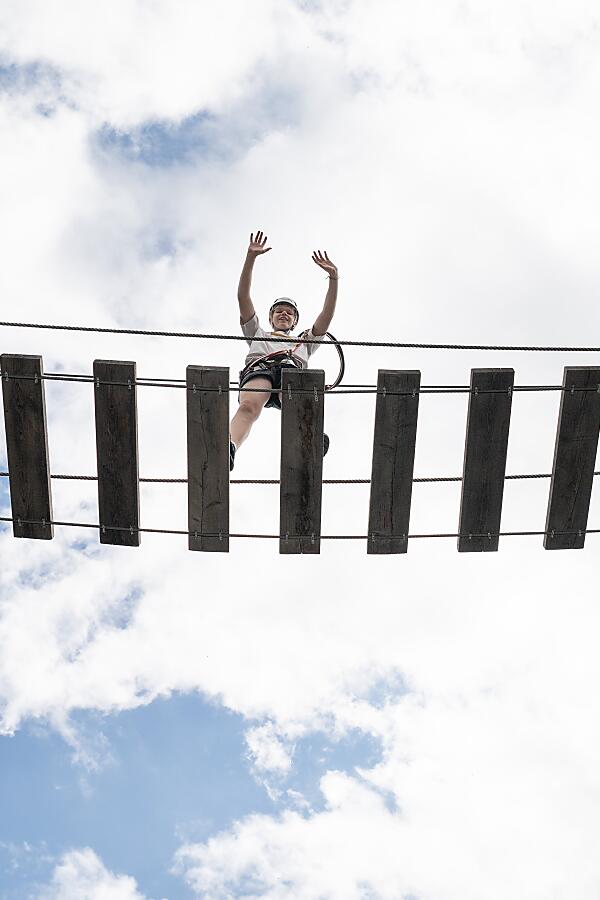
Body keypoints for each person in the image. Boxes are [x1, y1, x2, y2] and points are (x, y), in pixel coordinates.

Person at [229, 230, 339, 470]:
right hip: (261, 367)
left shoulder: (304, 341)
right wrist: (250, 258)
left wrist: (333, 279)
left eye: (289, 312)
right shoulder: (258, 332)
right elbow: (242, 297)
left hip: (291, 373)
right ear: (270, 317)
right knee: (249, 406)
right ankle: (229, 445)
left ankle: (310, 439)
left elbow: (326, 316)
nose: (283, 314)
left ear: (295, 321)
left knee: (294, 405)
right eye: (279, 310)